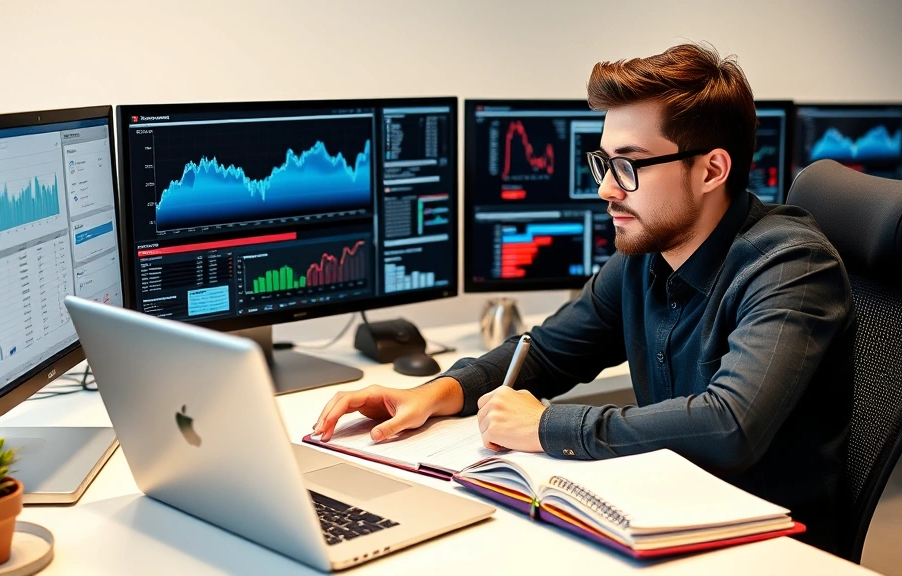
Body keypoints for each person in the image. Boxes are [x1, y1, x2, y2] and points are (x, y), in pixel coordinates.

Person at [313, 43, 855, 554]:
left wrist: (546, 426)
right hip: (662, 513)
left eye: (630, 165)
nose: (606, 190)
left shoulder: (791, 265)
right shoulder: (647, 255)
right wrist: (440, 392)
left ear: (712, 169)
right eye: (604, 163)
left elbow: (730, 425)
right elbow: (547, 352)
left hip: (766, 545)